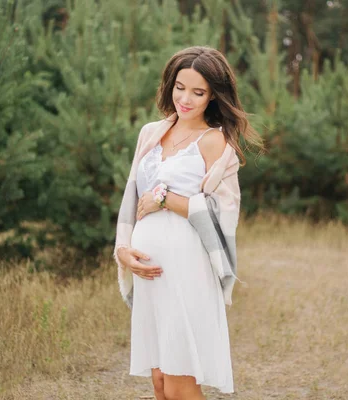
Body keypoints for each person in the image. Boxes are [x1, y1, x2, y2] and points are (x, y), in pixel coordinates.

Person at [113, 46, 264, 400]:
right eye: (180, 87)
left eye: (198, 92)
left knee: (181, 382)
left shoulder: (215, 142)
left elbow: (224, 215)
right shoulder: (150, 133)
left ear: (213, 96)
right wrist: (122, 249)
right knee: (161, 382)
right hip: (148, 268)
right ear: (170, 84)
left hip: (186, 269)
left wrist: (168, 199)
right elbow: (131, 198)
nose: (186, 98)